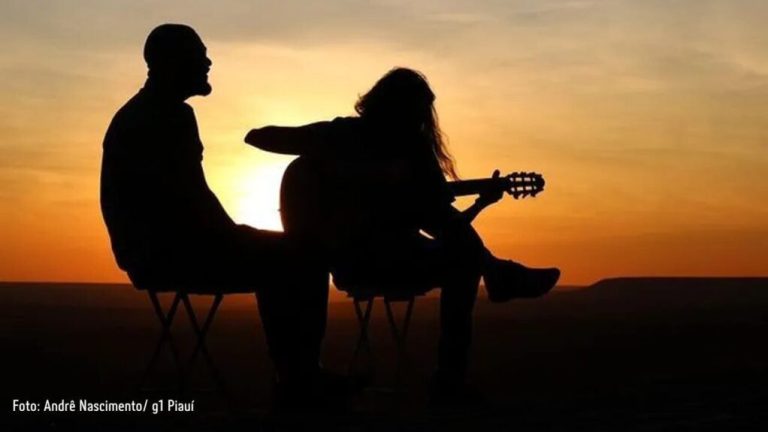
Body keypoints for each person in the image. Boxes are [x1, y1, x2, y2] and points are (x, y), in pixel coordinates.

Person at [245, 67, 560, 405]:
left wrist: (481, 203)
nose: (423, 120)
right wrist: (349, 171)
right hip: (353, 259)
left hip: (403, 254)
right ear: (393, 108)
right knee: (464, 258)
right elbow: (257, 136)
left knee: (462, 256)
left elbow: (439, 221)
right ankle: (491, 291)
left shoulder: (416, 153)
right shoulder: (345, 135)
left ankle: (484, 300)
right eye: (416, 111)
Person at [99, 24, 334, 407]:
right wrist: (237, 236)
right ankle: (300, 379)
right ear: (171, 63)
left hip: (157, 251)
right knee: (303, 256)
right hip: (171, 255)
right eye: (198, 55)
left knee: (291, 254)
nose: (208, 62)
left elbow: (188, 203)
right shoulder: (167, 117)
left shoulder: (146, 114)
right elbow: (190, 201)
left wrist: (237, 235)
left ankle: (298, 376)